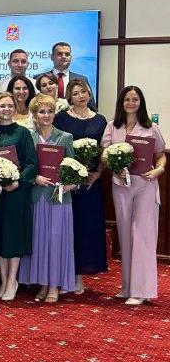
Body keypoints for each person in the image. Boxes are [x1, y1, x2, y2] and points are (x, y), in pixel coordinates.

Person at [102, 86, 166, 306]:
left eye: (135, 99)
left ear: (141, 102)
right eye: (127, 99)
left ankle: (142, 290)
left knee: (142, 235)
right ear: (121, 103)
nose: (131, 103)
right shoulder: (113, 126)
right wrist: (113, 164)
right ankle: (128, 287)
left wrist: (159, 170)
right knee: (126, 236)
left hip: (145, 185)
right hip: (120, 186)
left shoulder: (151, 128)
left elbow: (160, 156)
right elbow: (104, 154)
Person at [18, 94, 76, 303]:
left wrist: (70, 184)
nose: (46, 115)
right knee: (40, 242)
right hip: (36, 197)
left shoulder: (65, 137)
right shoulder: (29, 137)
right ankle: (42, 283)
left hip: (59, 198)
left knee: (56, 241)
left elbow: (74, 169)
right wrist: (35, 178)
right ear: (34, 115)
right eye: (41, 111)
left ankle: (54, 285)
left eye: (50, 111)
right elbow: (24, 167)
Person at [54, 79, 108, 294]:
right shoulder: (61, 118)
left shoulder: (100, 120)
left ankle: (78, 278)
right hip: (67, 183)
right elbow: (56, 147)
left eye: (83, 91)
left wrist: (97, 173)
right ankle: (63, 276)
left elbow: (104, 150)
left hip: (90, 185)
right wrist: (67, 176)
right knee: (66, 230)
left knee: (85, 229)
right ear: (69, 97)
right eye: (75, 93)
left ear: (89, 93)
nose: (80, 96)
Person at [0, 91, 37, 301]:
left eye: (10, 105)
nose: (6, 109)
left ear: (15, 108)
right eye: (2, 106)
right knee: (0, 238)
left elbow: (32, 163)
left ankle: (12, 281)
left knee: (14, 237)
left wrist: (18, 182)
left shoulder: (23, 133)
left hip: (17, 193)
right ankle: (4, 280)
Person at [37, 42, 95, 108]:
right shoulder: (38, 78)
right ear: (52, 57)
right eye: (60, 54)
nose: (64, 56)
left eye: (67, 54)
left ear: (71, 58)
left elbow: (91, 107)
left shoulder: (82, 79)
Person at [0, 49, 37, 119]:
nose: (19, 65)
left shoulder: (36, 85)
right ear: (9, 64)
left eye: (23, 61)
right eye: (15, 61)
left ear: (28, 64)